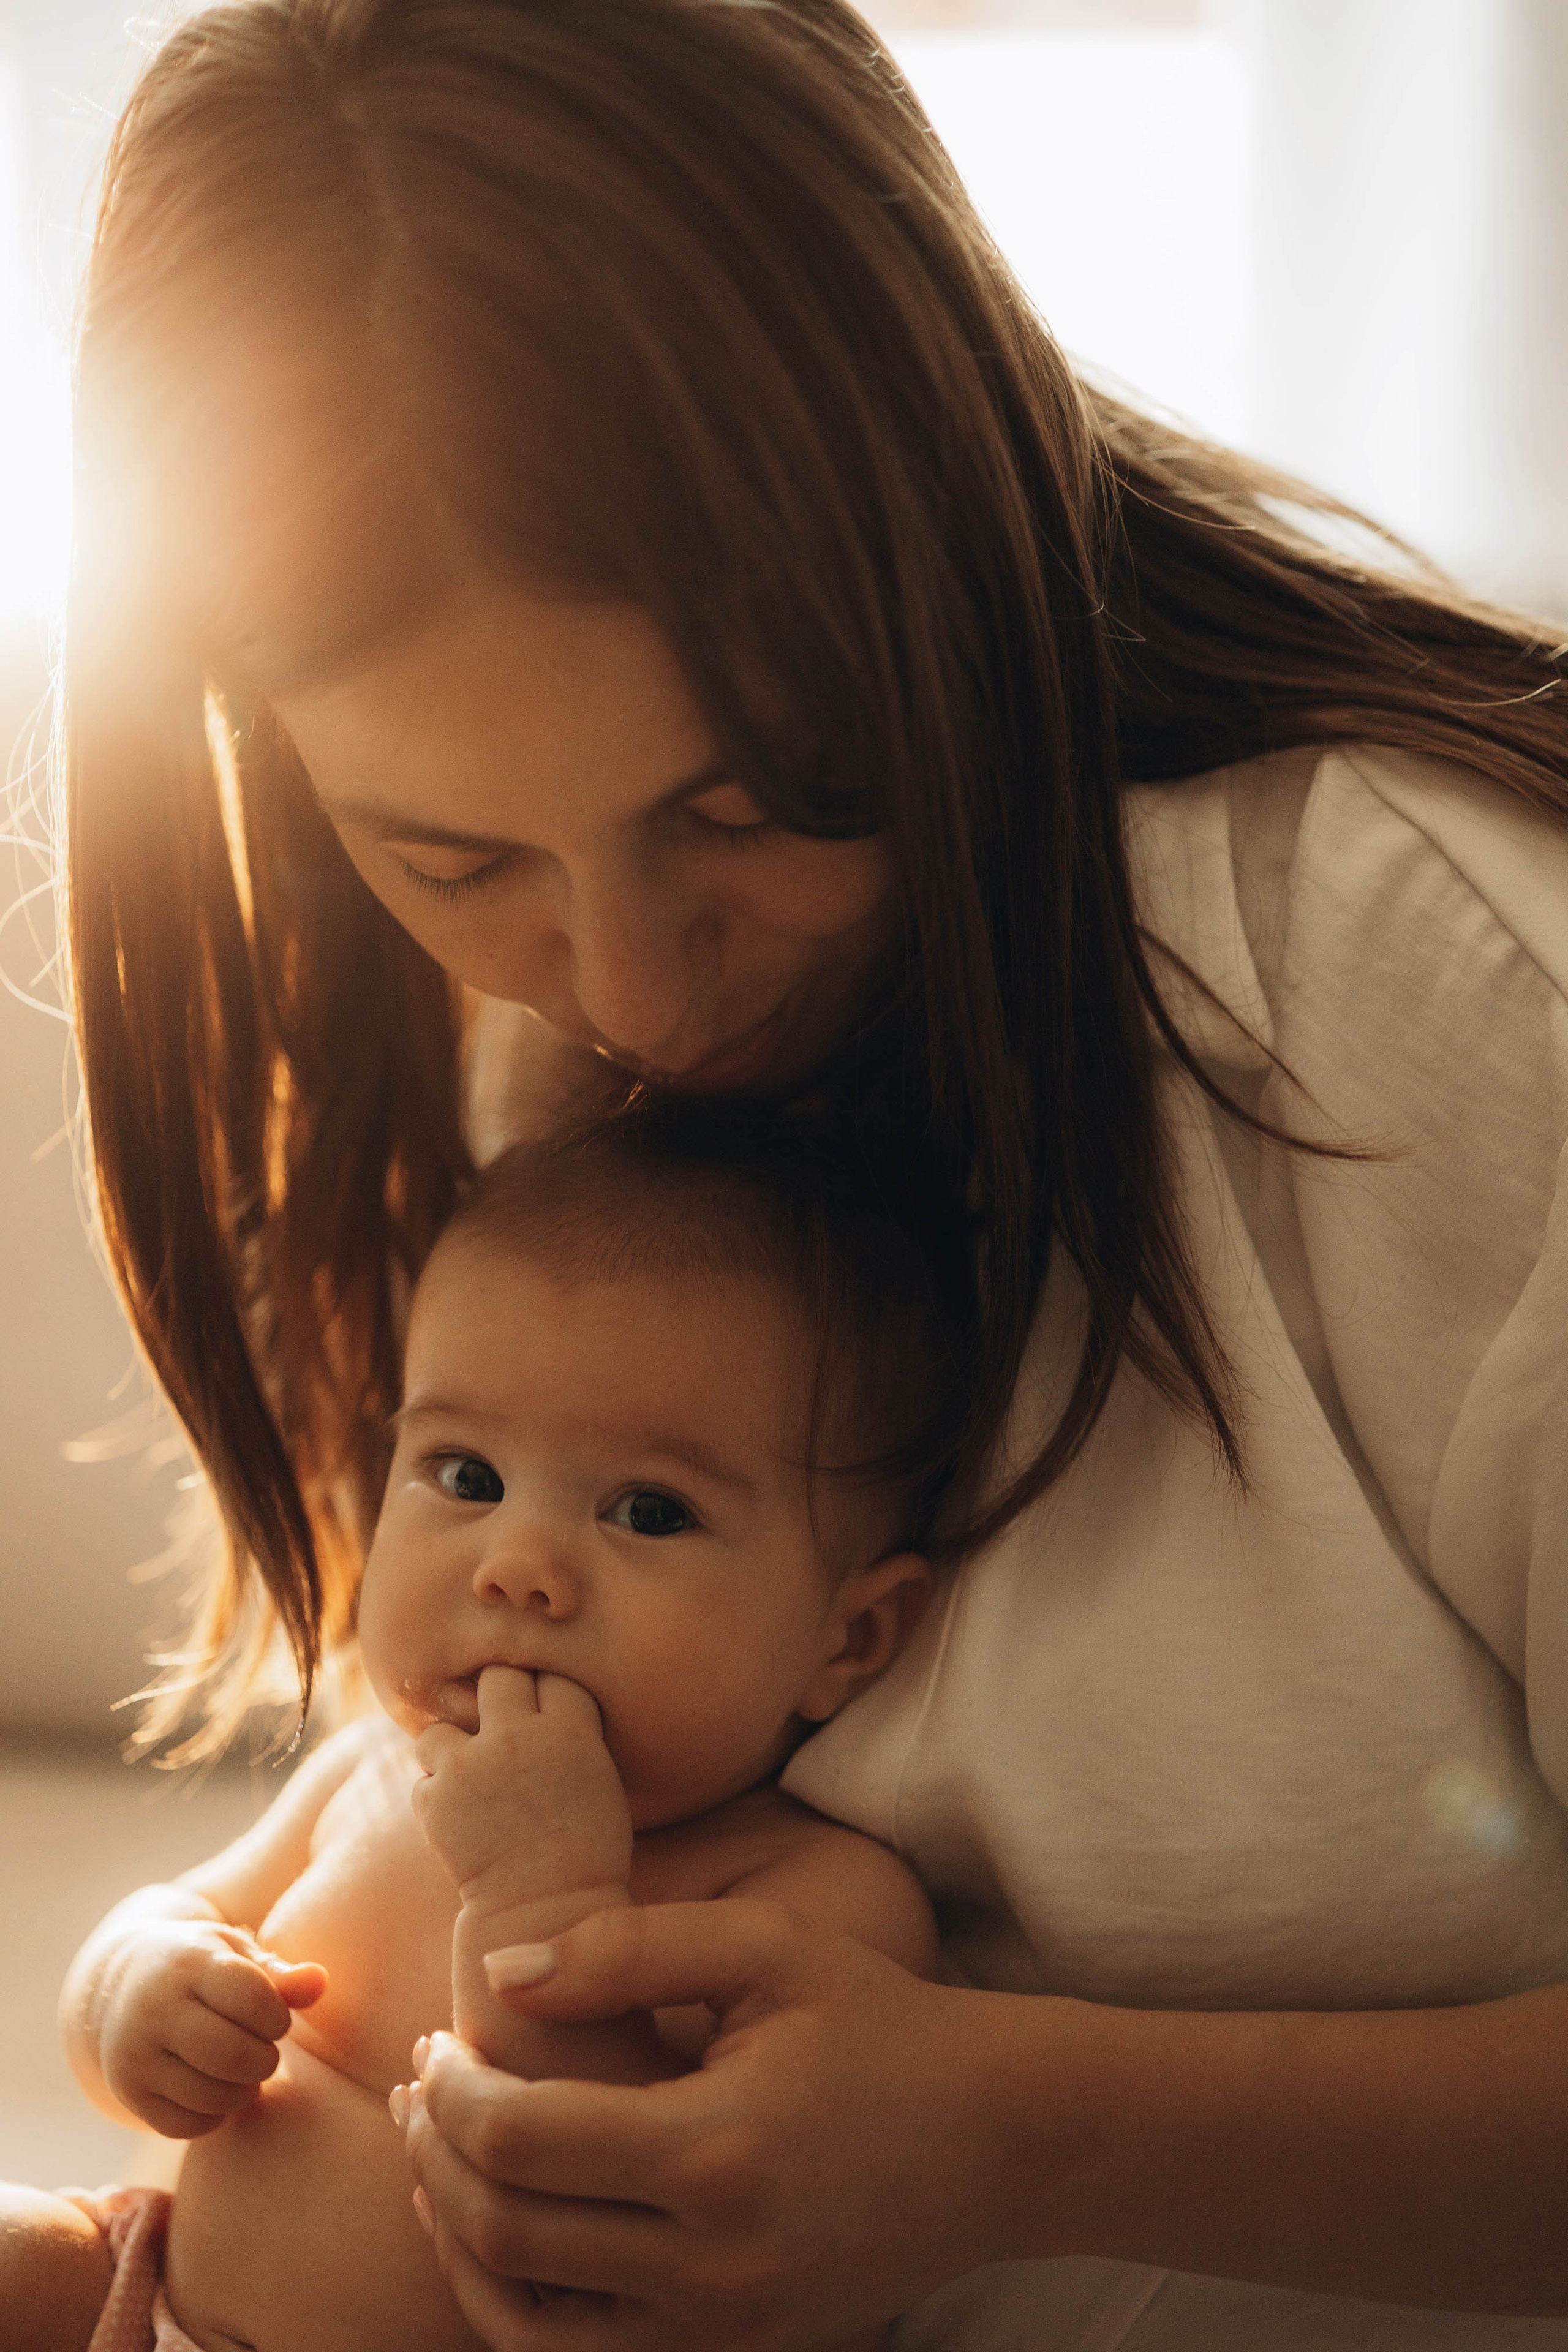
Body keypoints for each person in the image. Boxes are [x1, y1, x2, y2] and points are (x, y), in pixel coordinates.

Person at [37, 0, 1568, 2342]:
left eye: (751, 795)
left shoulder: (1429, 985)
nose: (632, 994)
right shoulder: (500, 1039)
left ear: (931, 542)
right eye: (459, 858)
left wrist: (1024, 2132)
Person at [17, 1116, 947, 2352]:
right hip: (148, 2295)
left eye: (647, 1511)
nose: (516, 1567)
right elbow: (170, 1913)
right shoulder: (370, 1771)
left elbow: (640, 2225)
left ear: (847, 1641)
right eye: (464, 1476)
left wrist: (546, 1894)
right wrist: (136, 1993)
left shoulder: (813, 1901)